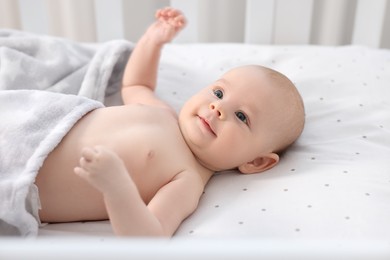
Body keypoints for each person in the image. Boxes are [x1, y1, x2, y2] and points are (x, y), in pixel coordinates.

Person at [35, 7, 305, 237]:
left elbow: (149, 237)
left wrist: (117, 187)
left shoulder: (187, 180)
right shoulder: (165, 113)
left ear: (255, 162)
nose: (218, 107)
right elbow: (136, 84)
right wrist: (152, 42)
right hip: (32, 124)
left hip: (22, 177)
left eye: (242, 116)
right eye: (219, 92)